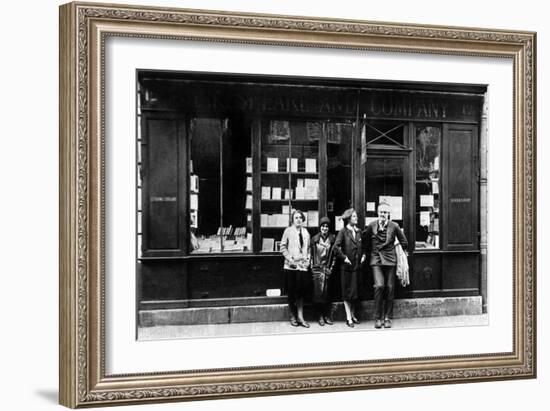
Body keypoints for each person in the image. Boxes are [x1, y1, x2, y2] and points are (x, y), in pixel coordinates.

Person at [363, 201, 408, 329]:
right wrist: (364, 254)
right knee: (379, 285)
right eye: (381, 212)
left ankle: (388, 317)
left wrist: (402, 252)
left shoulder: (394, 226)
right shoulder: (372, 225)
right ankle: (377, 317)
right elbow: (365, 240)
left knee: (389, 287)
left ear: (389, 214)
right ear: (377, 213)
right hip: (376, 258)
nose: (383, 214)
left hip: (390, 259)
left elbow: (404, 241)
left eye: (386, 212)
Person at [333, 208, 366, 327]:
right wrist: (344, 258)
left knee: (355, 293)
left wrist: (364, 256)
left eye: (356, 216)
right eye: (354, 216)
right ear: (348, 219)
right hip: (347, 268)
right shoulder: (343, 232)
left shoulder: (359, 232)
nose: (356, 218)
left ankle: (353, 315)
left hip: (357, 267)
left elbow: (364, 247)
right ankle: (348, 318)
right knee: (347, 293)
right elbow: (335, 248)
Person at [280, 210, 311, 328]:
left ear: (303, 220)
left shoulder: (306, 232)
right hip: (291, 267)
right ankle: (292, 316)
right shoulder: (288, 231)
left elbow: (308, 249)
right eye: (296, 217)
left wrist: (308, 260)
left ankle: (300, 317)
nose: (298, 219)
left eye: (300, 218)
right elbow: (282, 247)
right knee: (291, 292)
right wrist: (290, 259)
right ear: (293, 220)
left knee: (300, 292)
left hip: (302, 267)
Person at [310, 217, 336, 326]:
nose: (324, 228)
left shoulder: (332, 239)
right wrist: (312, 267)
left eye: (326, 226)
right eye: (323, 226)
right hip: (317, 269)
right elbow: (311, 255)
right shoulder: (314, 239)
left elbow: (334, 256)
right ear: (320, 227)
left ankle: (327, 315)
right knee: (318, 294)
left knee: (327, 293)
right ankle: (320, 315)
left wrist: (331, 268)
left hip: (327, 269)